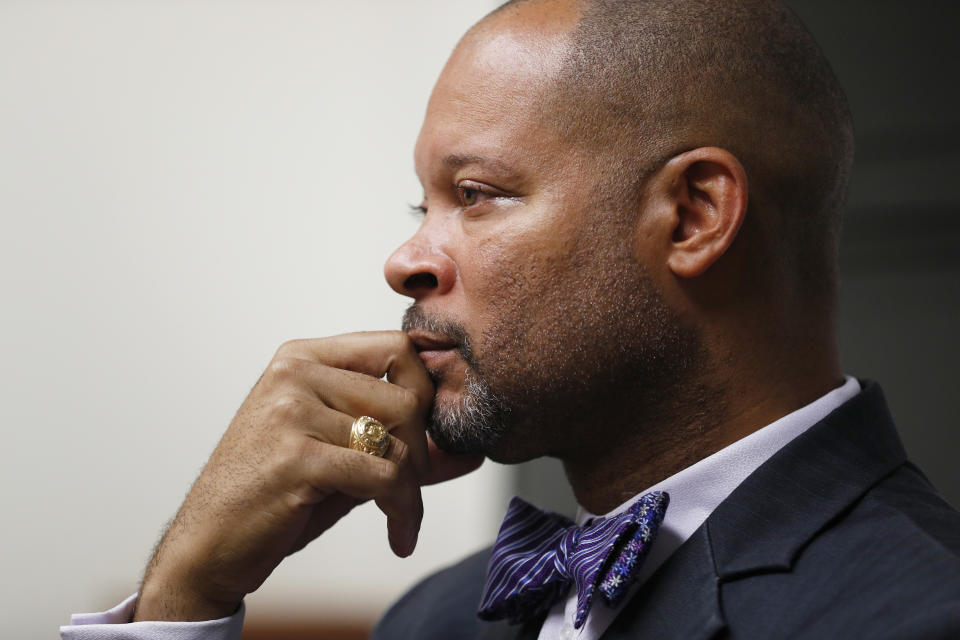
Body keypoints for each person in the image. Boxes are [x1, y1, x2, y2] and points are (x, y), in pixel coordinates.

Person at [62, 0, 960, 638]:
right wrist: (188, 592)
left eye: (475, 194)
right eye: (424, 208)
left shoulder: (924, 611)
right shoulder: (432, 620)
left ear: (692, 216)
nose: (404, 260)